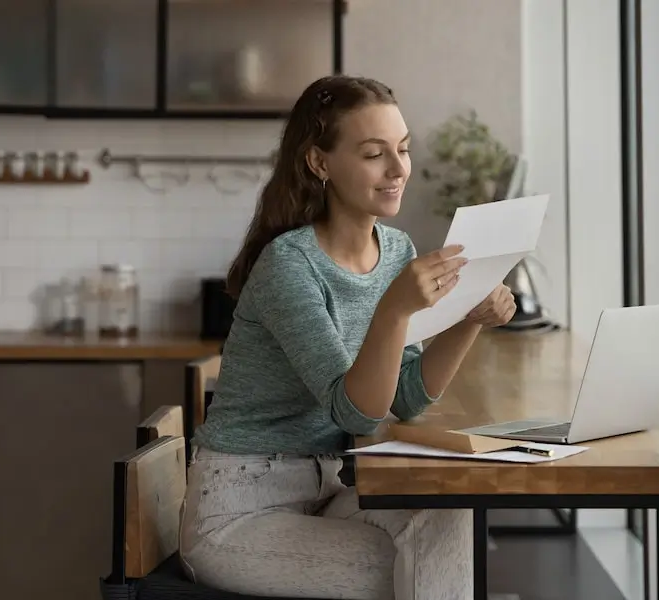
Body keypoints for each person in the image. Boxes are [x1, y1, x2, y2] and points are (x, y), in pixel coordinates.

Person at [178, 74, 517, 600]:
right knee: (407, 568)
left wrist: (468, 319)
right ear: (320, 162)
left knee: (453, 519)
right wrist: (396, 308)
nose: (398, 169)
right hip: (241, 509)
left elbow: (403, 398)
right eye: (373, 154)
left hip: (334, 486)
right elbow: (354, 412)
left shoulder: (397, 249)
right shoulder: (288, 266)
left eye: (402, 150)